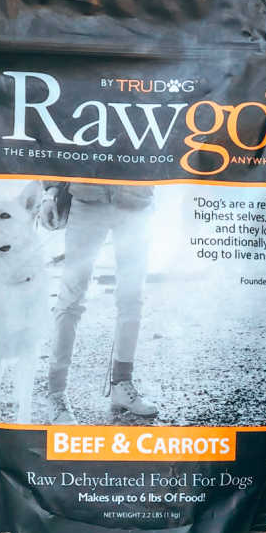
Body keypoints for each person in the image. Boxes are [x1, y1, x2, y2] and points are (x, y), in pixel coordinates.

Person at [40, 181, 158, 424]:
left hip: (136, 202)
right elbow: (60, 145)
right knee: (71, 297)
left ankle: (122, 382)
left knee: (132, 296)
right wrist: (50, 192)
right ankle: (56, 393)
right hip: (88, 200)